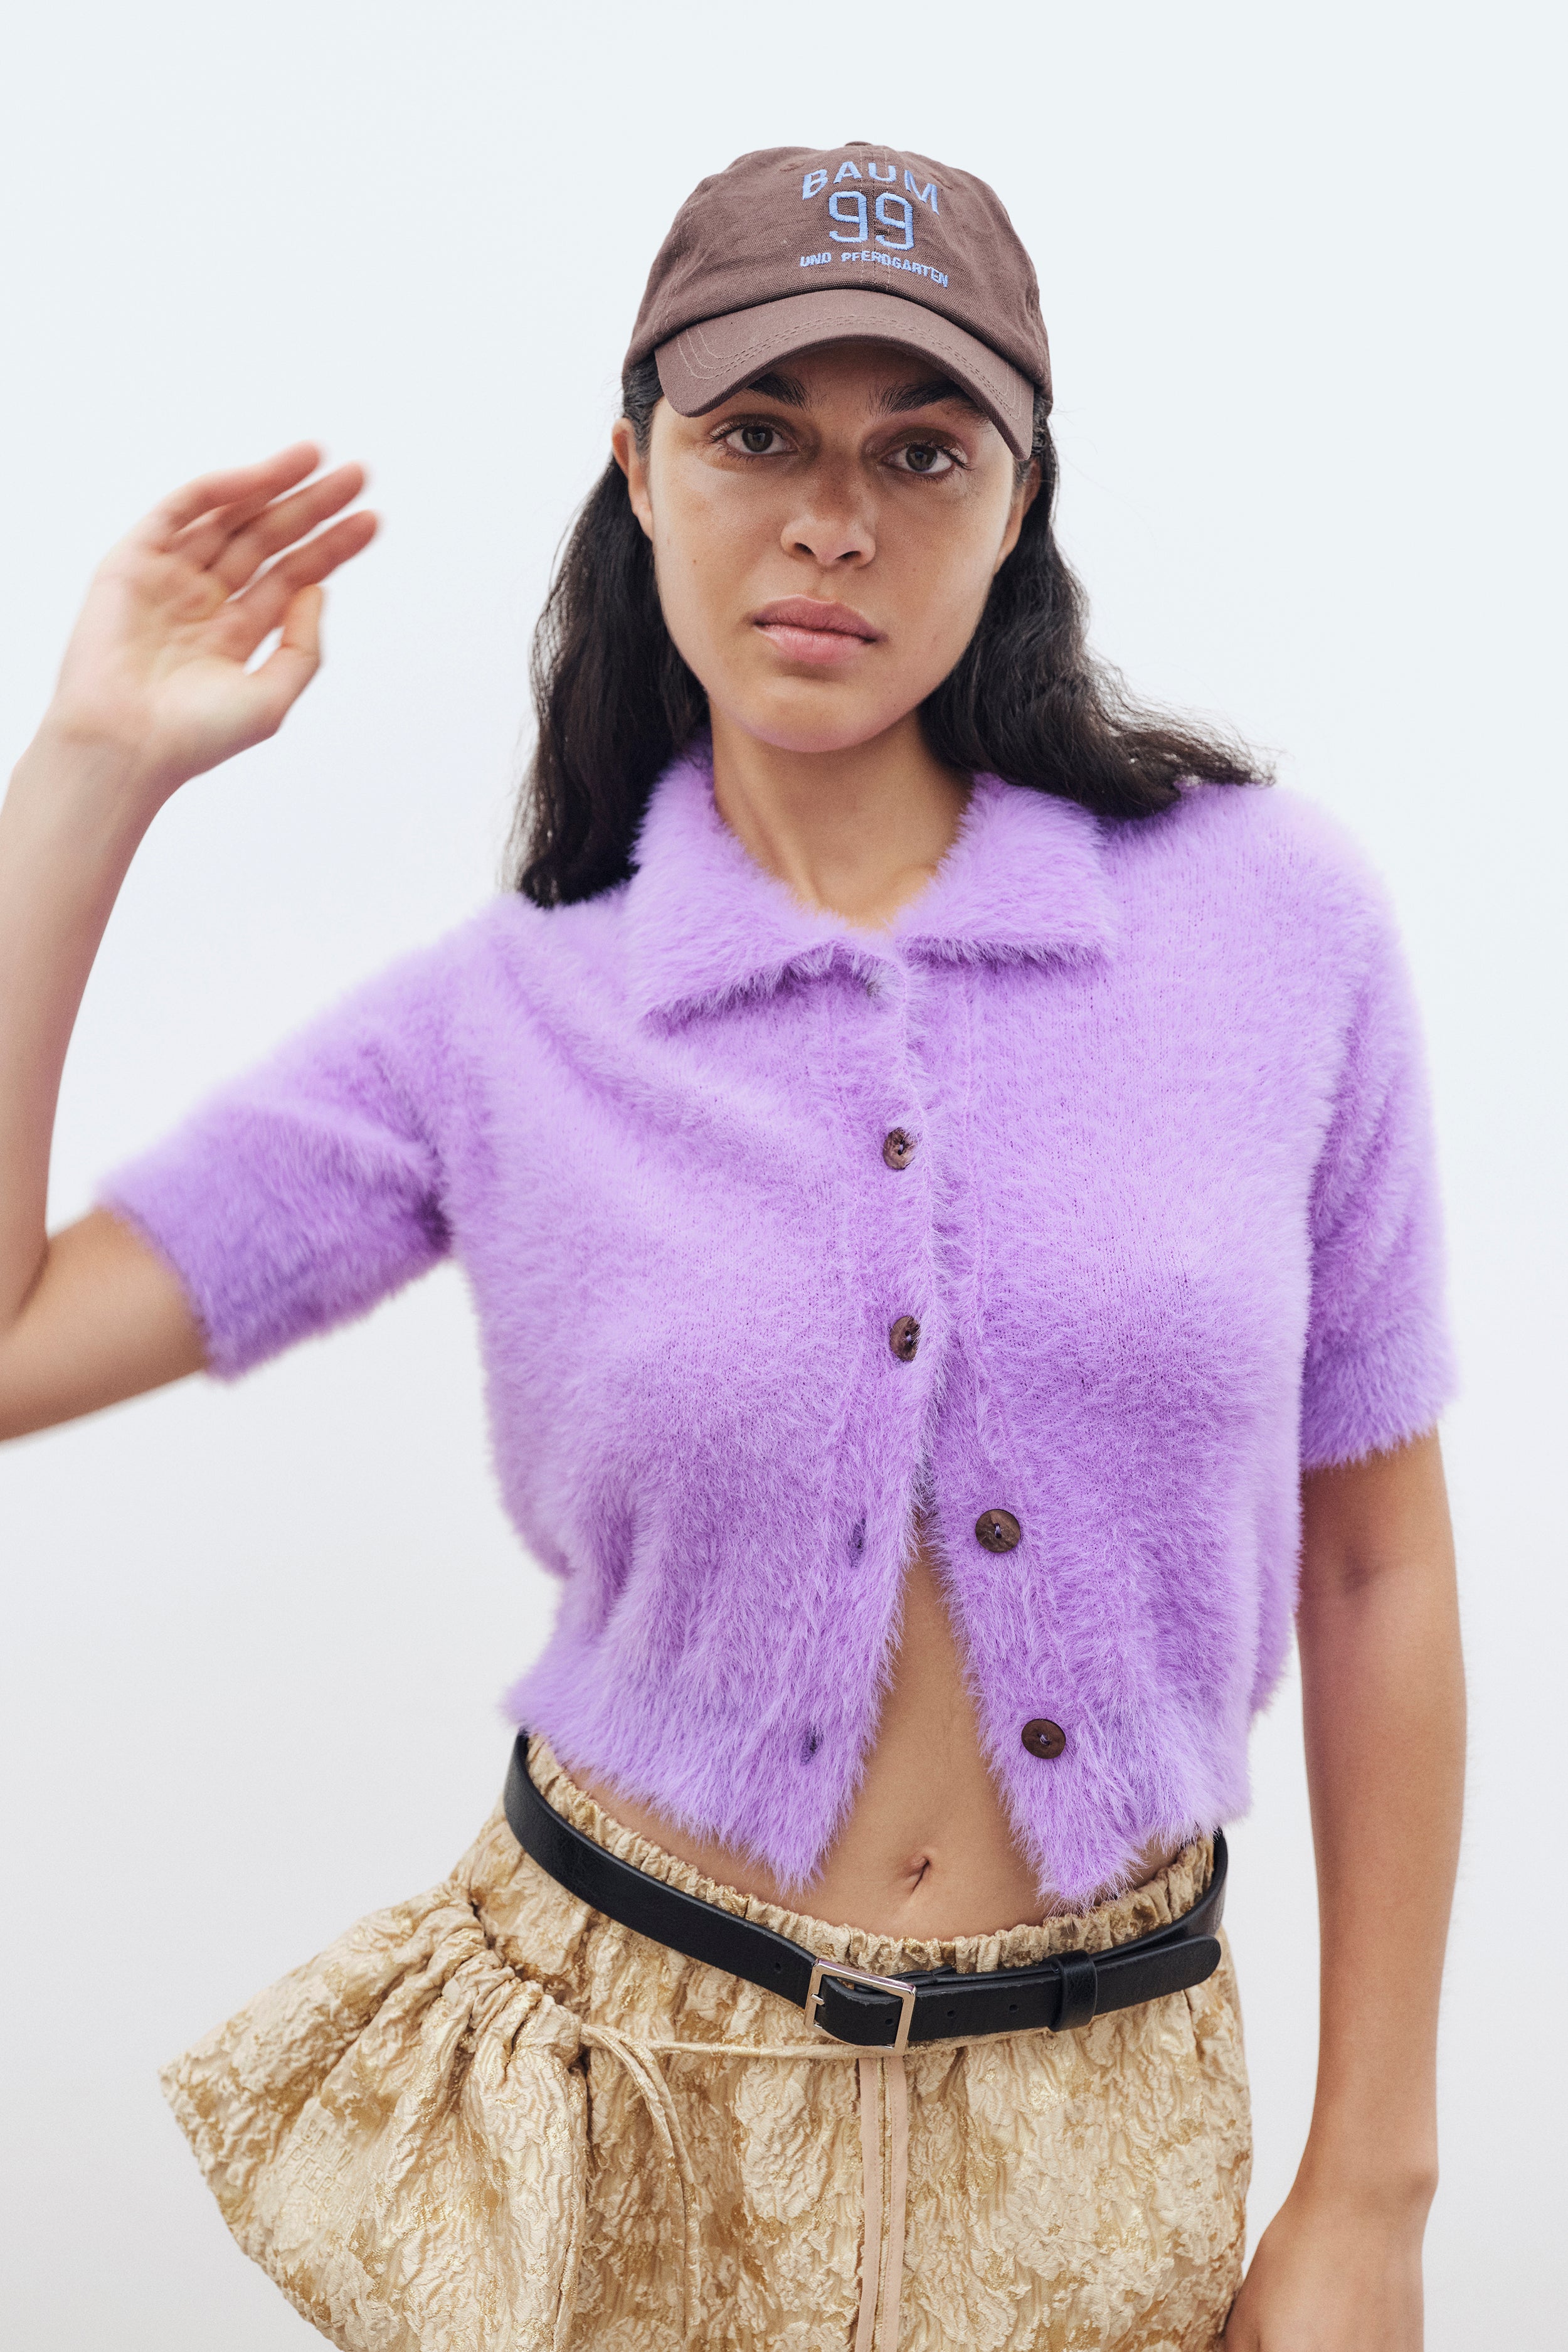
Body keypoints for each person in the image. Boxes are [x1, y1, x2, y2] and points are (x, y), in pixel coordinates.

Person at [0, 143, 1463, 2352]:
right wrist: (89, 772)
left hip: (1103, 2131)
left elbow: (1371, 1565)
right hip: (618, 2106)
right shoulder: (505, 1025)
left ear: (1019, 504)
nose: (831, 521)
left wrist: (1372, 2186)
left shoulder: (1275, 924)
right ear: (637, 463)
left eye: (922, 452)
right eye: (759, 432)